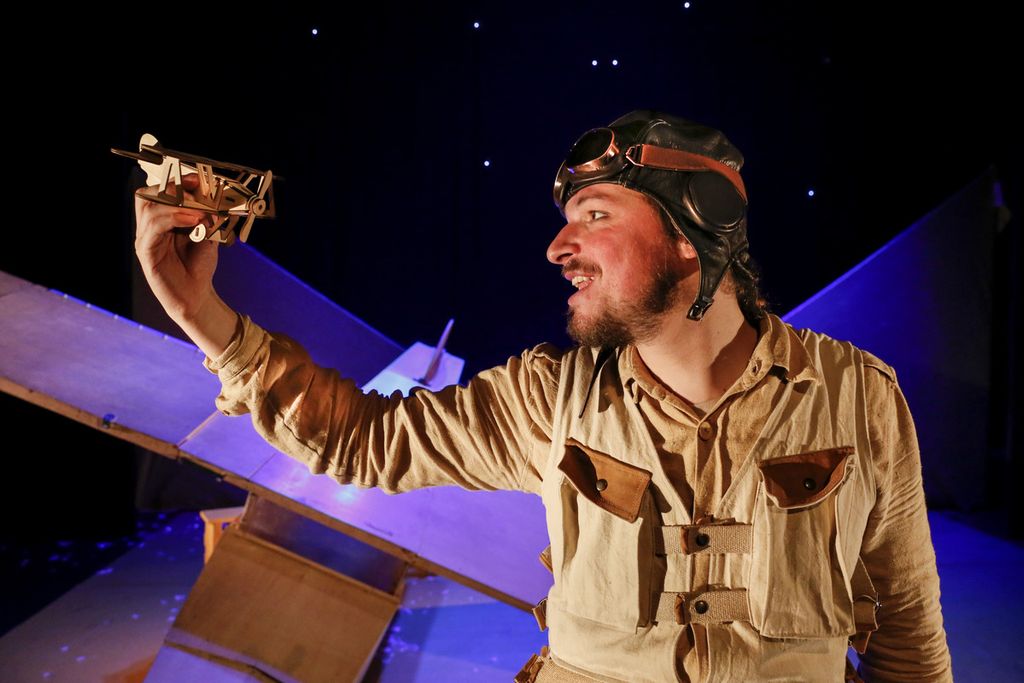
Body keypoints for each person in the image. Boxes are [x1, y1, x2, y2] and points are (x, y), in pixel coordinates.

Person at [134, 110, 953, 682]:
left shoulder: (856, 397)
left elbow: (910, 635)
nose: (560, 246)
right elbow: (364, 440)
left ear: (690, 235)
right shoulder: (550, 398)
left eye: (594, 214)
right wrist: (200, 313)